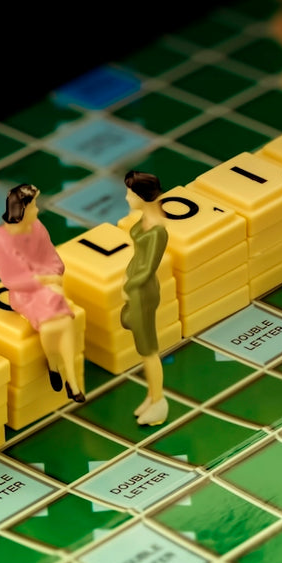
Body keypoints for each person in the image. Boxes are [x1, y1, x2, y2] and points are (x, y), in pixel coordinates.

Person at [0, 184, 85, 402]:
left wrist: (52, 276)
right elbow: (10, 279)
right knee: (53, 325)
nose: (37, 211)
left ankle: (72, 380)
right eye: (33, 207)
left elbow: (52, 258)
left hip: (50, 285)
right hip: (26, 293)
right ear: (21, 209)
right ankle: (52, 364)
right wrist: (41, 280)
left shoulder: (38, 227)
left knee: (66, 322)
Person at [122, 171, 170, 426]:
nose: (127, 197)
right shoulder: (145, 220)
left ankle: (160, 402)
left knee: (149, 350)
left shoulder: (157, 231)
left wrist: (128, 285)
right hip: (135, 288)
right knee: (144, 350)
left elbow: (148, 267)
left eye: (131, 193)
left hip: (143, 291)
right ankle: (152, 396)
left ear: (142, 195)